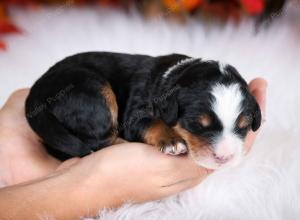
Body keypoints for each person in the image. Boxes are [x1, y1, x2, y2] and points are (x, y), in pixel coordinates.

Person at [0, 78, 267, 220]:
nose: (223, 150)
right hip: (76, 87)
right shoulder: (155, 99)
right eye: (201, 127)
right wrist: (89, 186)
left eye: (241, 128)